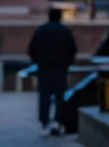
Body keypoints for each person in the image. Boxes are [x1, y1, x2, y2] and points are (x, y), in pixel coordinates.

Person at [28, 8, 78, 136]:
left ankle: (44, 121)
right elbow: (72, 49)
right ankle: (58, 121)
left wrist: (38, 61)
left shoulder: (41, 31)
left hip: (44, 68)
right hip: (60, 69)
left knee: (44, 96)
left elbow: (31, 49)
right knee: (59, 97)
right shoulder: (65, 31)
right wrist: (67, 63)